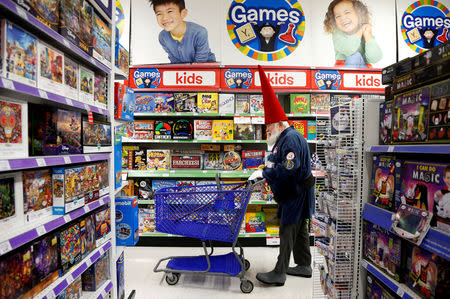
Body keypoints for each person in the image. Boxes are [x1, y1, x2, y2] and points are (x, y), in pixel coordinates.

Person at [248, 65, 315, 286]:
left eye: (269, 127)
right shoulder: (284, 138)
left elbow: (289, 170)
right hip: (298, 190)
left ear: (279, 124)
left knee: (288, 229)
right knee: (300, 228)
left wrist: (265, 172)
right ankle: (304, 265)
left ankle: (279, 272)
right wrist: (265, 169)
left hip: (296, 192)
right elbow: (280, 160)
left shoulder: (291, 139)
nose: (267, 131)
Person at [149, 0, 216, 63]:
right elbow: (174, 60)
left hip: (207, 69)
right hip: (184, 72)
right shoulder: (163, 37)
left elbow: (201, 61)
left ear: (183, 13)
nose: (164, 18)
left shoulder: (199, 32)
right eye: (159, 14)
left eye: (170, 11)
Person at [323, 0, 382, 68]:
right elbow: (348, 49)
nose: (343, 18)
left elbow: (375, 58)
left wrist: (368, 36)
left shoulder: (366, 32)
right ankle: (348, 78)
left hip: (364, 72)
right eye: (338, 16)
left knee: (356, 56)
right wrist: (360, 31)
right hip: (343, 70)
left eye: (347, 12)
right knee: (354, 56)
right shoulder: (337, 33)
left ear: (359, 14)